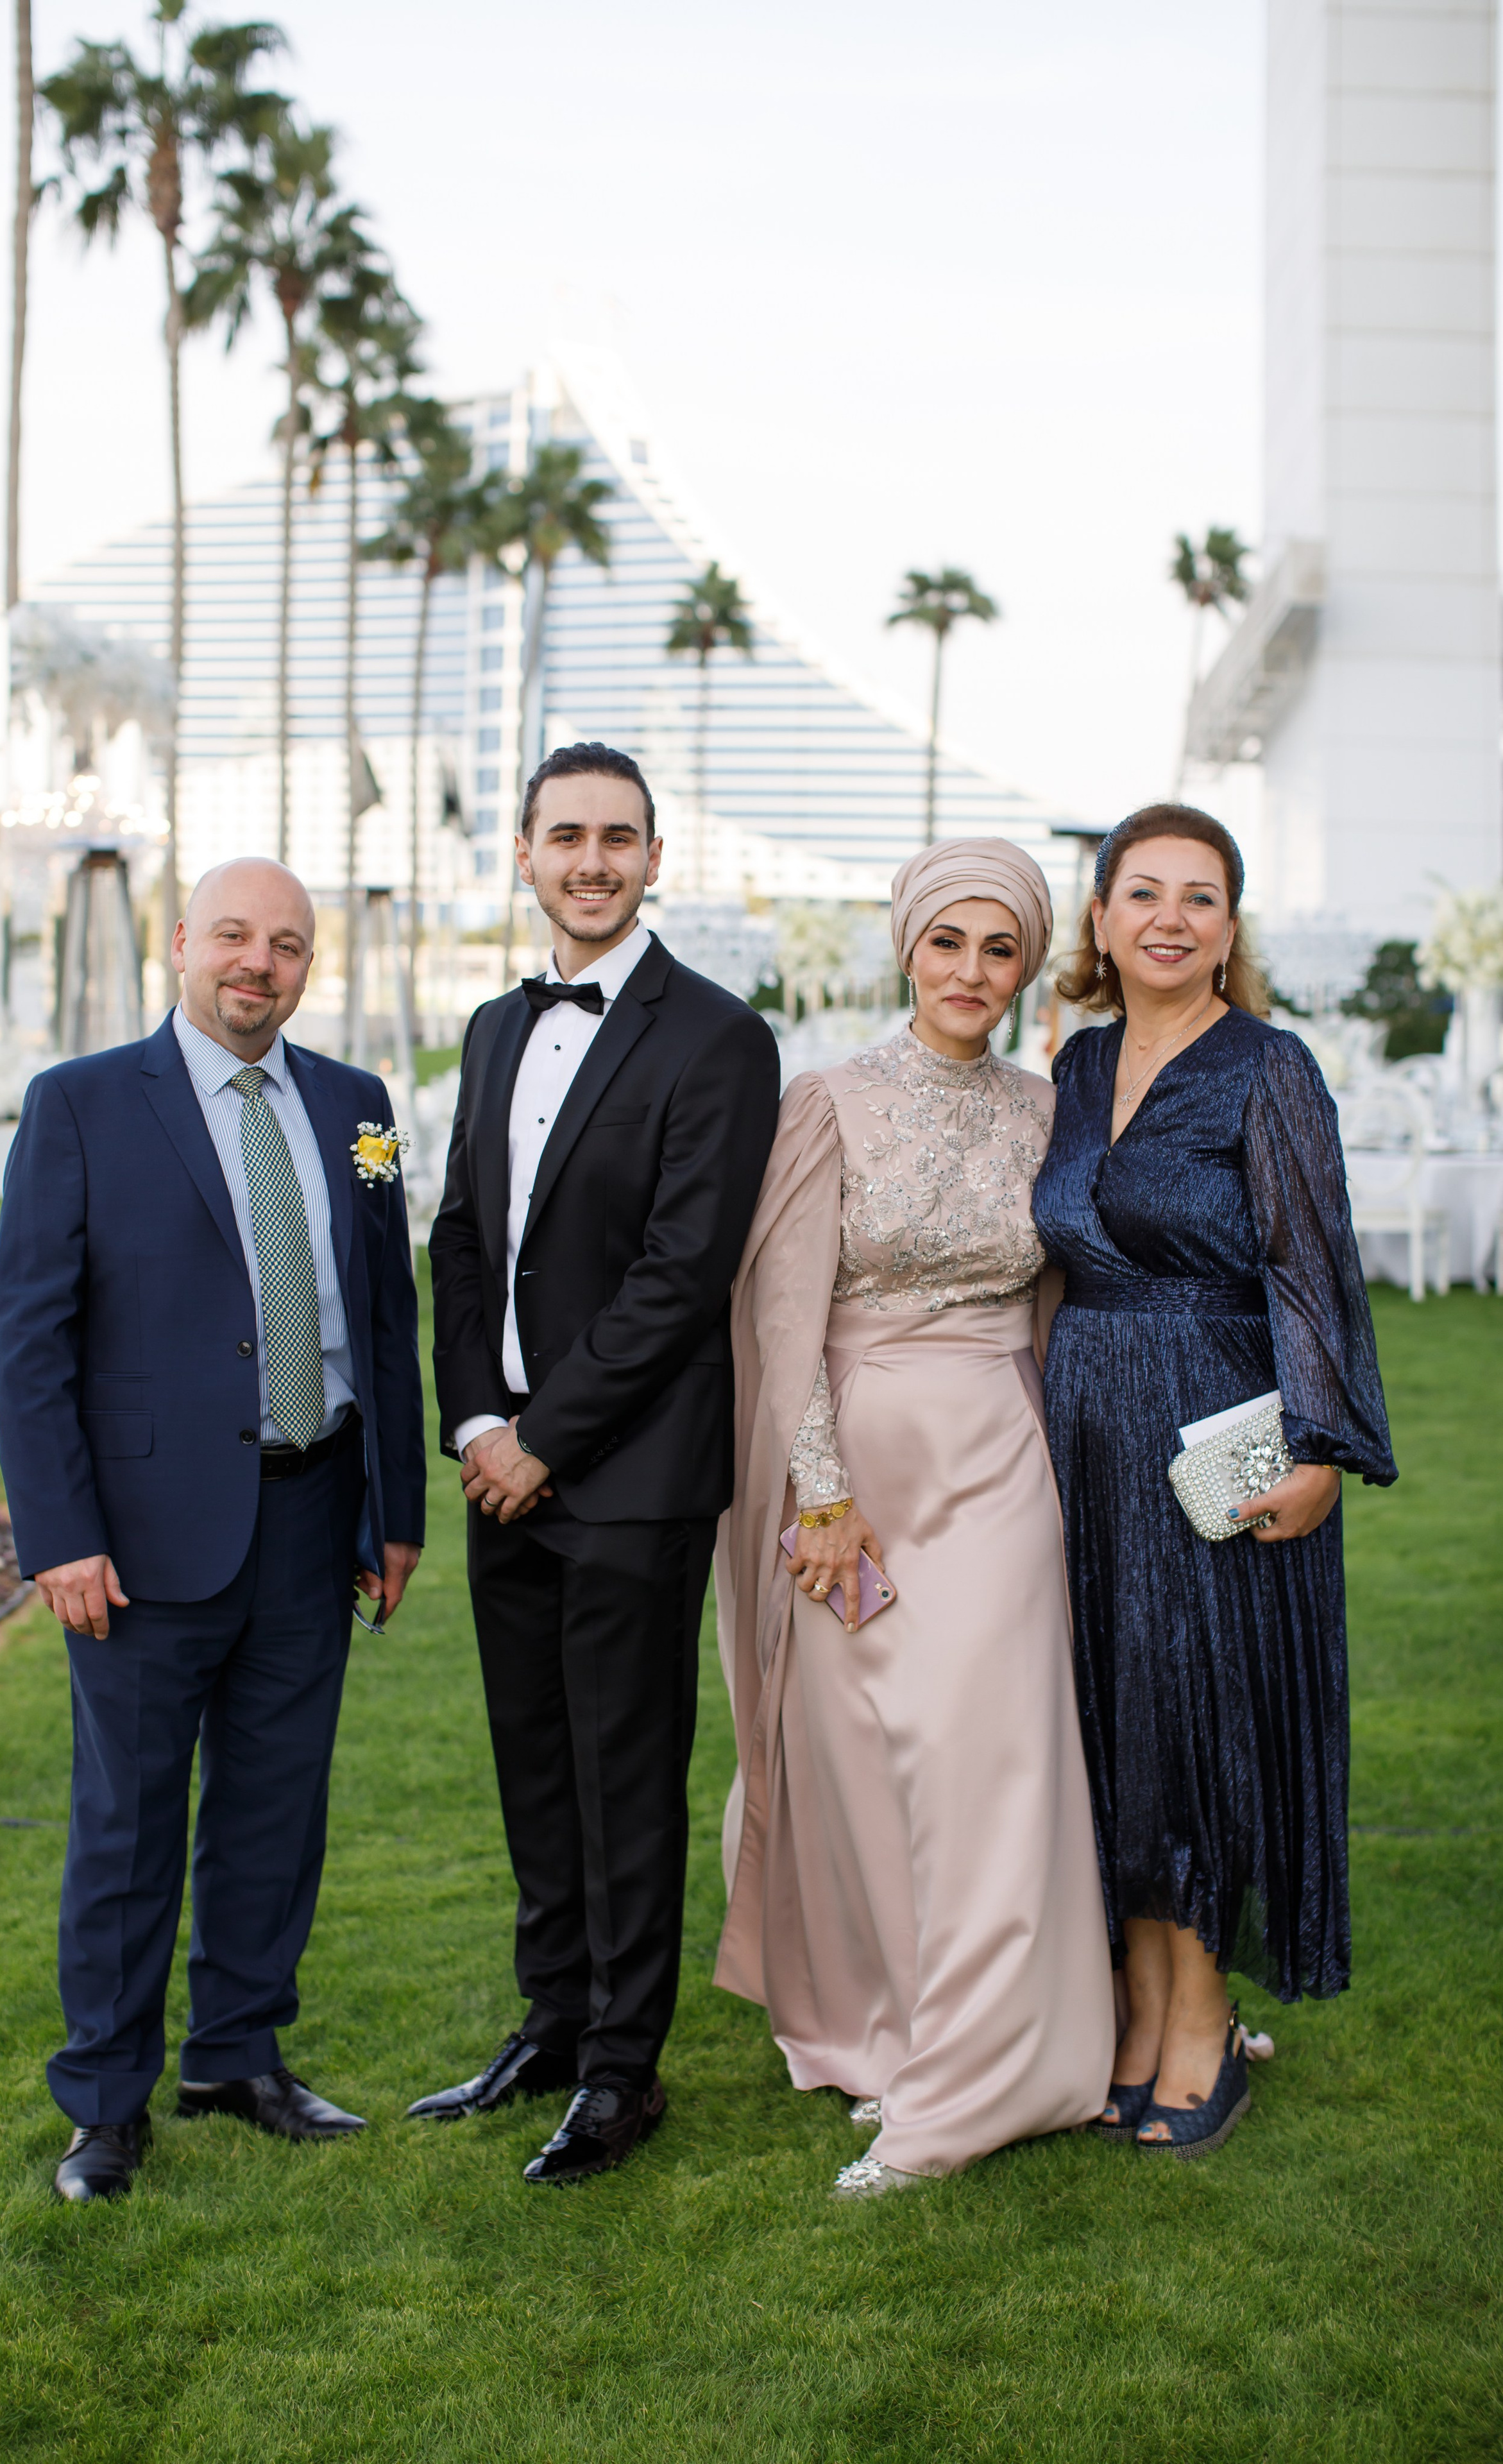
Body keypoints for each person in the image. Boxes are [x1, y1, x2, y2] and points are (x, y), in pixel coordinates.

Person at [0, 858, 425, 2203]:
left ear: (310, 967)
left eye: (287, 945)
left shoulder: (360, 1112)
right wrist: (61, 1533)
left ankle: (237, 2057)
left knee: (273, 1814)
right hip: (137, 1535)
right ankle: (106, 2106)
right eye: (234, 936)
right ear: (181, 944)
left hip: (314, 1514)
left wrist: (394, 1509)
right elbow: (31, 1339)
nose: (260, 963)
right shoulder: (78, 1105)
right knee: (126, 1830)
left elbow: (385, 1313)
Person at [715, 839, 1114, 2198]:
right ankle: (895, 2038)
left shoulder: (1047, 1107)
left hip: (999, 1461)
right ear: (905, 948)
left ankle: (974, 2083)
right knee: (860, 1767)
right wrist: (816, 1496)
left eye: (997, 949)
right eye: (946, 943)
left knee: (979, 1760)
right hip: (851, 1477)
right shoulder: (825, 1099)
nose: (969, 972)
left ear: (1024, 967)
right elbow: (783, 1311)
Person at [420, 740, 781, 2184]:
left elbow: (681, 1273)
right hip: (497, 1456)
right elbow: (457, 1239)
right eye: (563, 835)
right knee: (531, 1763)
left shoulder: (717, 1037)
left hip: (625, 1468)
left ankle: (626, 2073)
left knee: (624, 1771)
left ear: (652, 859)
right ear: (522, 855)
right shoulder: (494, 1029)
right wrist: (473, 1427)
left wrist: (545, 1439)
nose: (589, 859)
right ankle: (554, 2025)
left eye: (615, 837)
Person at [1032, 804, 1396, 2159]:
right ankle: (1133, 2013)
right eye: (1142, 893)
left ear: (1227, 929)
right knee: (1108, 1720)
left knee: (1193, 1725)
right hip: (1082, 1434)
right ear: (1102, 918)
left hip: (1218, 1432)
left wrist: (1320, 1452)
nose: (1168, 918)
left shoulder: (1268, 1067)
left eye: (1198, 897)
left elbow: (1311, 1267)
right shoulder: (1071, 1067)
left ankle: (1200, 2022)